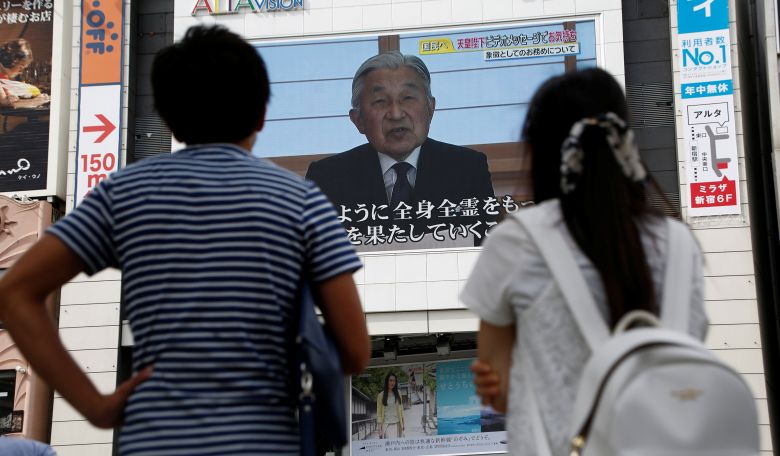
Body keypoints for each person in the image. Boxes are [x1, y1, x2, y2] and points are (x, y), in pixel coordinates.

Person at [0, 25, 370, 456]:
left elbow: (16, 293)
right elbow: (356, 350)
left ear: (167, 115)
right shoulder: (300, 200)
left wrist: (94, 405)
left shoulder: (125, 194)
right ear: (261, 115)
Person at [460, 68, 708, 455]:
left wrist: (502, 383)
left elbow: (501, 394)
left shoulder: (517, 240)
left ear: (543, 150)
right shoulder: (679, 244)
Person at [305, 51, 497, 246]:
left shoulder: (468, 169)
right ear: (358, 120)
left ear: (430, 109)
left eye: (408, 98)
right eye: (380, 101)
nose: (396, 114)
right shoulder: (327, 179)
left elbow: (488, 256)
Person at [376, 372, 404, 439]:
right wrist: (379, 428)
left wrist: (403, 424)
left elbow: (401, 410)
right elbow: (379, 413)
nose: (392, 383)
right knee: (389, 444)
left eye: (394, 381)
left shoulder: (399, 393)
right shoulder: (380, 395)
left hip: (397, 424)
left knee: (397, 446)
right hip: (386, 425)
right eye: (390, 380)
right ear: (387, 381)